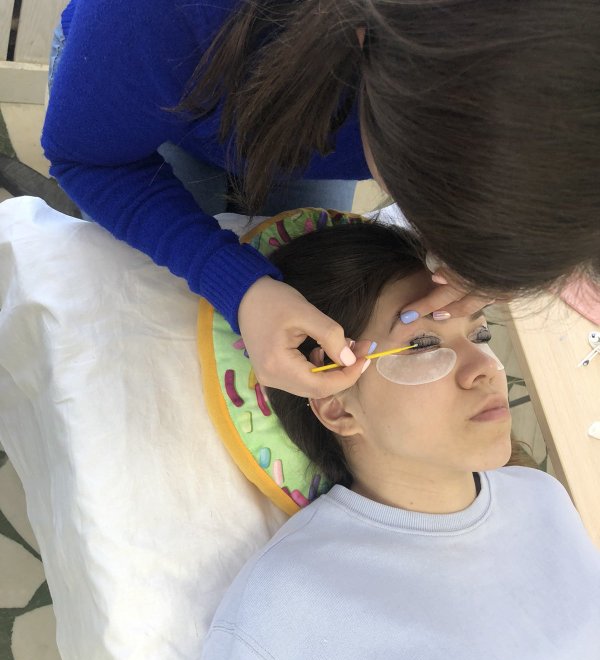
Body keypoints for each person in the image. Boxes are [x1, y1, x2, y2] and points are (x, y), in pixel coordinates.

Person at [193, 221, 600, 660]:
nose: (486, 367)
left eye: (479, 331)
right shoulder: (288, 607)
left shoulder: (541, 500)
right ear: (336, 408)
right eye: (424, 345)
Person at [42, 0, 600, 398]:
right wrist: (234, 282)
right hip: (129, 85)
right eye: (421, 344)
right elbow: (88, 159)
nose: (486, 371)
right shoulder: (157, 18)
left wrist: (505, 260)